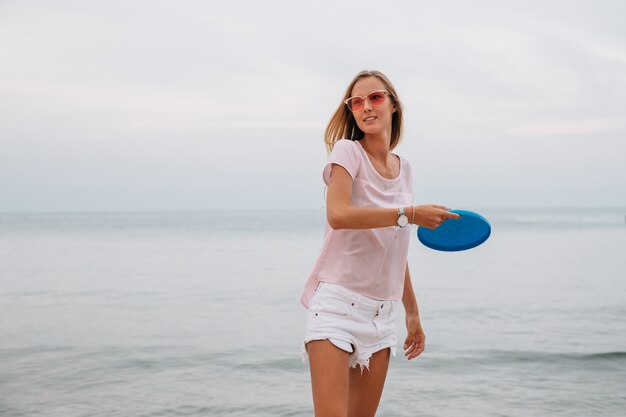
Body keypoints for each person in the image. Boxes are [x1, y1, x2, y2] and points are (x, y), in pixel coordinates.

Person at [300, 70, 460, 417]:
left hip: (382, 315)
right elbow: (338, 215)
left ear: (393, 105)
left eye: (375, 98)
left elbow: (394, 247)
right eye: (356, 102)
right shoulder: (347, 152)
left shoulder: (405, 169)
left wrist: (412, 314)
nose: (366, 107)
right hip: (337, 306)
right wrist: (410, 213)